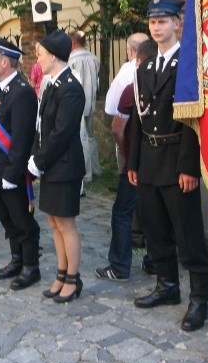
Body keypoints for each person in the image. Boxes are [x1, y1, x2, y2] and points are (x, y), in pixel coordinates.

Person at [127, 0, 208, 332]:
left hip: (178, 159)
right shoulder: (145, 67)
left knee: (188, 234)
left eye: (163, 21)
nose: (158, 27)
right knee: (156, 229)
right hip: (149, 159)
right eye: (152, 22)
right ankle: (167, 286)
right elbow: (138, 118)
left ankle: (198, 299)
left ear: (178, 24)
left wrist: (189, 166)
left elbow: (194, 120)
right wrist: (132, 161)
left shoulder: (189, 65)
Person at [29, 30, 86, 302]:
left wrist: (39, 161)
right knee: (53, 221)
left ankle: (73, 280)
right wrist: (35, 156)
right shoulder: (51, 83)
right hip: (51, 164)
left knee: (65, 223)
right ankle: (61, 273)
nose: (38, 59)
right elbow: (42, 128)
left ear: (53, 56)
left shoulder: (71, 87)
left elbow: (62, 133)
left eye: (40, 54)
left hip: (64, 166)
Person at [0, 37, 41, 291]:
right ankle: (16, 259)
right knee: (6, 218)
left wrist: (13, 171)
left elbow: (22, 137)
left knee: (22, 219)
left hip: (10, 167)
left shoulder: (22, 92)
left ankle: (31, 266)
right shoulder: (0, 89)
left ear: (5, 62)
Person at [96, 38, 156, 281]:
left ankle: (120, 266)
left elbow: (116, 128)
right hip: (159, 161)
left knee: (122, 212)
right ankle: (155, 261)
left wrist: (125, 152)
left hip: (135, 161)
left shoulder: (133, 88)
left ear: (137, 60)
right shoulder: (167, 84)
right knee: (155, 213)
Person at [67, 30, 101, 186]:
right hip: (91, 100)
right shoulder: (94, 58)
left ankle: (86, 174)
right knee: (91, 136)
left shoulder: (71, 60)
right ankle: (96, 168)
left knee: (84, 138)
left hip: (78, 102)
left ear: (73, 43)